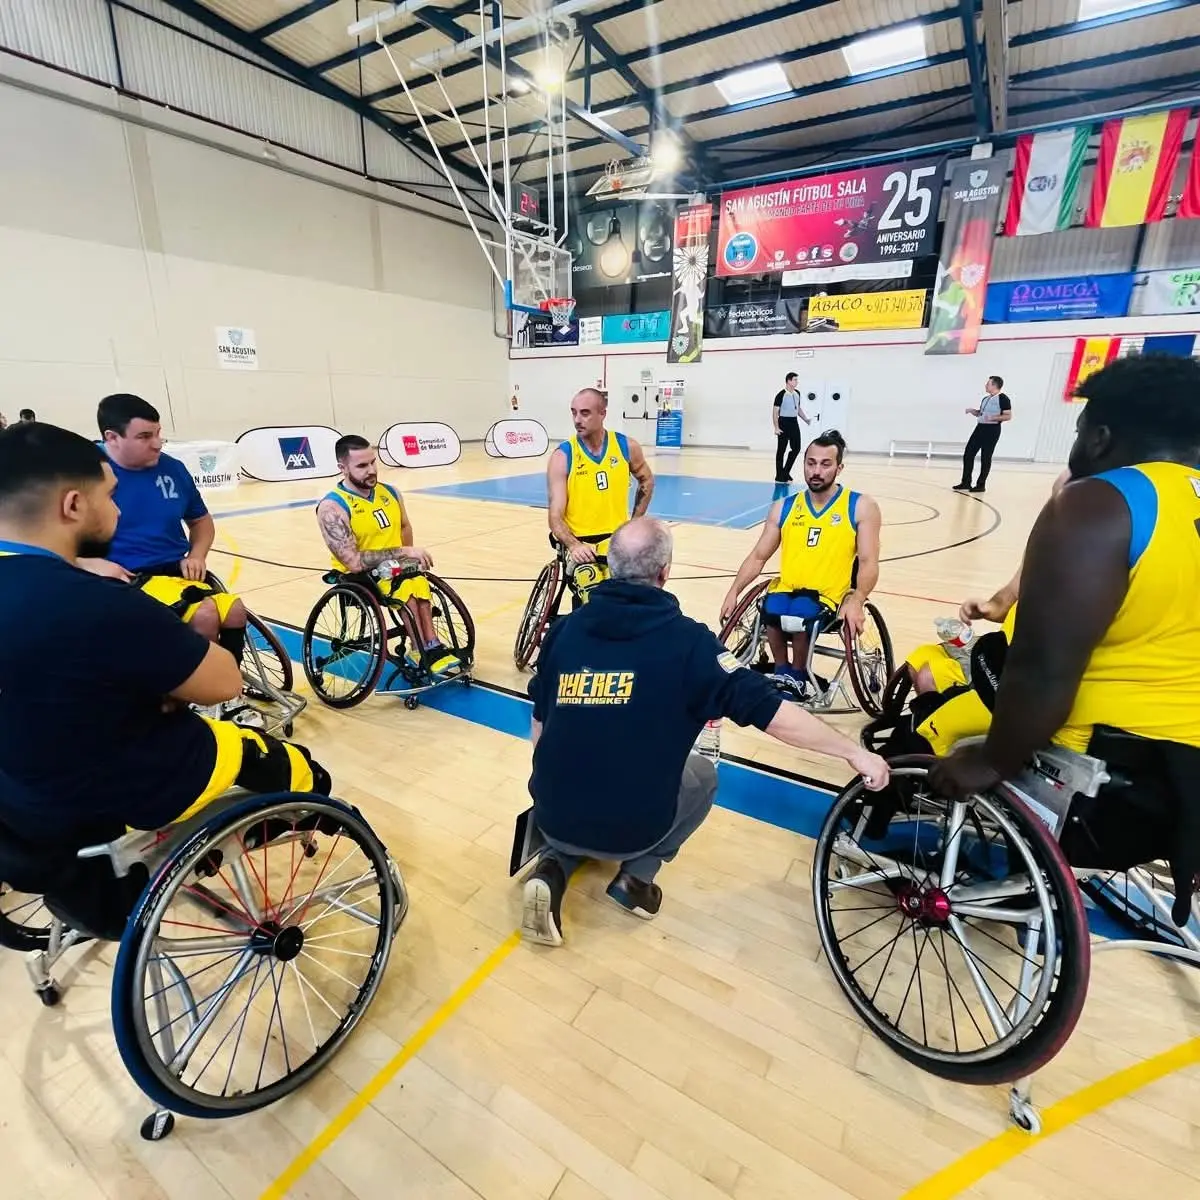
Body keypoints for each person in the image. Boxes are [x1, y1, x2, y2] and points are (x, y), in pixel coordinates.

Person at [522, 517, 889, 946]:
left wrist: (547, 786)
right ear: (664, 572)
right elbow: (773, 713)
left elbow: (539, 722)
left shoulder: (563, 631)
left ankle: (553, 864)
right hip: (630, 829)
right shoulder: (690, 644)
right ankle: (636, 878)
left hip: (550, 810)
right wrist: (853, 752)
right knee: (702, 775)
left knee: (573, 780)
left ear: (610, 566)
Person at [932, 356, 1200, 907]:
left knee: (977, 681)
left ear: (1100, 438)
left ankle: (1013, 880)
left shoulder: (1097, 504)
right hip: (1185, 784)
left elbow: (1042, 671)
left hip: (1102, 787)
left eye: (1078, 433)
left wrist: (992, 761)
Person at [0, 422, 329, 858]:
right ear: (74, 505)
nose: (118, 511)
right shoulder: (100, 604)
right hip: (122, 788)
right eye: (110, 497)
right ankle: (232, 845)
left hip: (23, 809)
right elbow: (225, 682)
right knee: (299, 768)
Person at [80, 394, 248, 672]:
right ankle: (200, 689)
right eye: (144, 436)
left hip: (173, 572)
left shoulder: (173, 468)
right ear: (112, 438)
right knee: (204, 615)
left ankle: (229, 680)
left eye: (158, 433)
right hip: (123, 579)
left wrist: (197, 555)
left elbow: (201, 521)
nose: (157, 443)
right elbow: (43, 538)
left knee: (235, 610)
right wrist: (88, 563)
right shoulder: (81, 473)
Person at [721, 431, 881, 694]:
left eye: (825, 464)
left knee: (801, 611)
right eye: (811, 463)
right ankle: (782, 671)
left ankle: (798, 674)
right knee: (771, 606)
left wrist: (858, 599)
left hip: (829, 595)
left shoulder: (860, 506)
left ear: (839, 468)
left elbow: (868, 561)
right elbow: (758, 556)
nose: (816, 471)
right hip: (788, 588)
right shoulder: (784, 507)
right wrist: (733, 591)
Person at [315, 435, 459, 676]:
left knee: (419, 582)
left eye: (373, 462)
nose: (371, 470)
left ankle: (431, 645)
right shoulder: (332, 508)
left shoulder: (390, 492)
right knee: (405, 588)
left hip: (393, 565)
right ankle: (420, 649)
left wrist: (408, 560)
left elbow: (404, 526)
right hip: (358, 575)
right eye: (362, 466)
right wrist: (404, 552)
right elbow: (353, 562)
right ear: (342, 468)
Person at [546, 387, 654, 601]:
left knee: (635, 592)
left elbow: (647, 481)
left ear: (602, 413)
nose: (577, 419)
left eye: (585, 413)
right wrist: (574, 545)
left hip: (616, 541)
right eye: (574, 412)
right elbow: (555, 516)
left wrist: (634, 523)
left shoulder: (626, 446)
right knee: (594, 595)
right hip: (580, 542)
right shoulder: (563, 456)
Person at [955, 375, 1012, 494]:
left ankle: (981, 485)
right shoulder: (985, 399)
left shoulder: (1003, 399)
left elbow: (1008, 416)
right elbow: (981, 413)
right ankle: (966, 482)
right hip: (980, 428)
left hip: (992, 430)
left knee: (986, 457)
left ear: (994, 385)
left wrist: (992, 418)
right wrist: (973, 411)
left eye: (988, 384)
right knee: (968, 454)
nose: (986, 385)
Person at [772, 372, 812, 484]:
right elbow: (775, 412)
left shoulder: (797, 393)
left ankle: (785, 472)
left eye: (797, 380)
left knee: (796, 448)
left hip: (793, 422)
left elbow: (797, 408)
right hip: (783, 422)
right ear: (789, 381)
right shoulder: (781, 395)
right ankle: (779, 475)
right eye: (795, 380)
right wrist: (776, 427)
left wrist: (805, 419)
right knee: (781, 450)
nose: (797, 382)